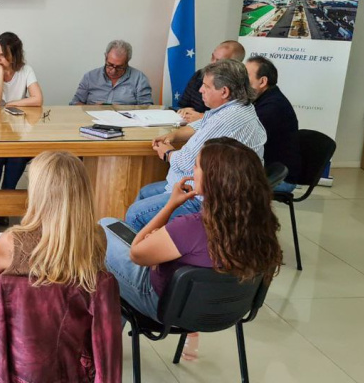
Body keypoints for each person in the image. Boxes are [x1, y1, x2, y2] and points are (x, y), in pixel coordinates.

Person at [101, 137, 283, 360]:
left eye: (196, 166)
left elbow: (137, 254)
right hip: (228, 311)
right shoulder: (263, 227)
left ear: (214, 179)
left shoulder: (191, 226)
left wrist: (170, 205)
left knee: (103, 229)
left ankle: (98, 346)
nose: (192, 171)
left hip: (163, 306)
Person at [0, 152, 121, 381]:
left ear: (38, 192)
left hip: (12, 360)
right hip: (70, 364)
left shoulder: (12, 242)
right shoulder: (96, 239)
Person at [126, 59, 266, 230]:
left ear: (224, 91)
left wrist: (167, 153)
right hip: (204, 188)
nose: (200, 90)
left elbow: (185, 162)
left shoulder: (227, 119)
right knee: (144, 193)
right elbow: (201, 124)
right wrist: (174, 135)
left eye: (206, 86)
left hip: (208, 200)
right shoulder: (238, 107)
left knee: (135, 214)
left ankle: (144, 247)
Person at [0, 32, 43, 231]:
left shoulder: (26, 70)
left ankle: (3, 206)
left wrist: (12, 103)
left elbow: (38, 99)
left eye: (3, 55)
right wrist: (0, 74)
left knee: (18, 157)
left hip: (16, 132)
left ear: (14, 56)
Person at [246, 56, 302, 192]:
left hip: (278, 177)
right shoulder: (263, 99)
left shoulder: (273, 107)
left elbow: (246, 140)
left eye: (245, 77)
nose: (240, 82)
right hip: (266, 169)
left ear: (262, 81)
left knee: (218, 183)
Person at [177, 40, 246, 122]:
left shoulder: (240, 87)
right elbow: (183, 104)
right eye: (212, 57)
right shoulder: (199, 75)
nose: (212, 63)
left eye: (218, 61)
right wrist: (186, 110)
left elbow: (231, 118)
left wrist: (202, 117)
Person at [71, 39, 153, 105]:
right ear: (105, 57)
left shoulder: (139, 78)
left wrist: (124, 110)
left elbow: (146, 108)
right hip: (92, 119)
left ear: (127, 62)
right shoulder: (90, 77)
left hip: (125, 120)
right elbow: (74, 103)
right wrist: (92, 109)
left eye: (119, 67)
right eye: (110, 65)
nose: (113, 71)